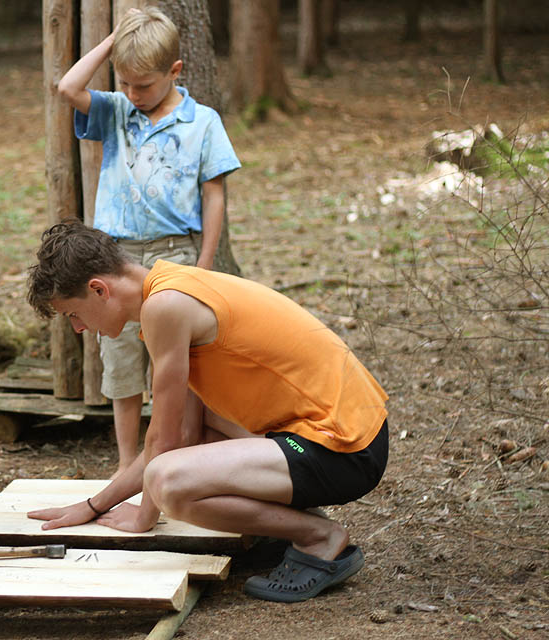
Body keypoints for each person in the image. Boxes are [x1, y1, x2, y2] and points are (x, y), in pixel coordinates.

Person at [25, 222, 389, 603]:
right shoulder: (173, 288)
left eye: (73, 314)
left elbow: (163, 442)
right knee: (198, 436)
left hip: (343, 448)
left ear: (99, 289)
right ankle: (294, 524)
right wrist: (94, 506)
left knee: (167, 485)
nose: (78, 327)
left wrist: (144, 516)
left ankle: (319, 537)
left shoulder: (165, 307)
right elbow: (186, 433)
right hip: (345, 436)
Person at [57, 7, 241, 477]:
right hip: (114, 259)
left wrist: (203, 264)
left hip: (175, 256)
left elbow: (214, 195)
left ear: (175, 71)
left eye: (143, 85)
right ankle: (126, 465)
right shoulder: (117, 110)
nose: (133, 94)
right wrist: (115, 38)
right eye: (125, 83)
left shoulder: (203, 122)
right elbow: (68, 88)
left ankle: (171, 461)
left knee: (172, 364)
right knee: (120, 363)